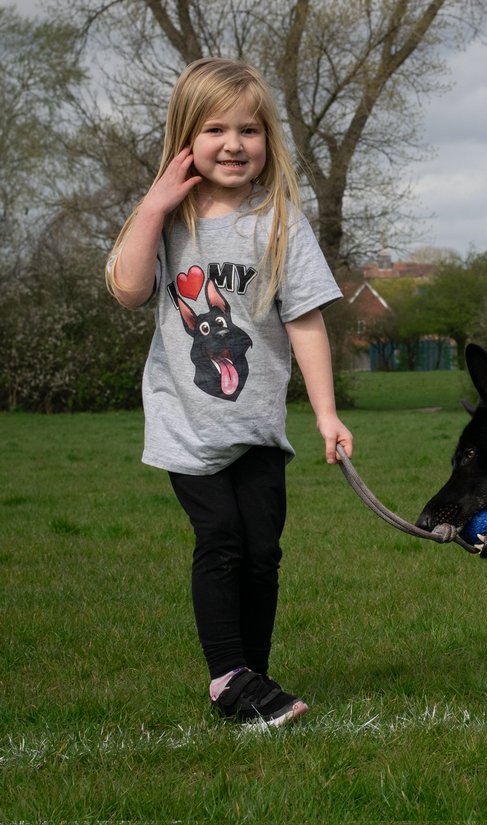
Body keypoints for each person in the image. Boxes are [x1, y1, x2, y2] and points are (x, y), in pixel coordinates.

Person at [105, 57, 352, 729]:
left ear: (268, 139)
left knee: (262, 550)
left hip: (260, 424)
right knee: (219, 539)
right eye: (215, 128)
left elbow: (304, 320)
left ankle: (254, 679)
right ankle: (228, 680)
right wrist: (153, 204)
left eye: (249, 129)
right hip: (186, 420)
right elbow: (128, 289)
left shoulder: (279, 221)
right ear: (185, 137)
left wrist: (326, 414)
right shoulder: (169, 218)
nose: (234, 143)